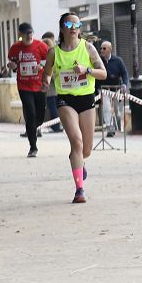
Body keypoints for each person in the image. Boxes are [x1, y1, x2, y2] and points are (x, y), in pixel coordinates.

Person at [41, 13, 107, 203]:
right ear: (62, 28)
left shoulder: (88, 48)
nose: (73, 27)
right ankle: (79, 190)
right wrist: (46, 81)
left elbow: (103, 73)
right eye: (69, 23)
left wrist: (86, 70)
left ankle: (78, 160)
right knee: (76, 142)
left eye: (77, 23)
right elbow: (47, 73)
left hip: (86, 99)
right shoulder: (54, 52)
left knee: (86, 149)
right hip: (65, 100)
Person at [6, 22, 48, 157]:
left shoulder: (40, 45)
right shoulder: (15, 48)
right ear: (20, 35)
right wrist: (12, 66)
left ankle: (34, 128)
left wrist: (41, 66)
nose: (29, 36)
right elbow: (12, 64)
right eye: (26, 34)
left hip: (39, 85)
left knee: (40, 116)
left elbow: (50, 61)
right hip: (24, 86)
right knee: (30, 114)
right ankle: (33, 146)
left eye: (31, 33)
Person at [95, 40, 129, 137]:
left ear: (110, 49)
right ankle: (110, 128)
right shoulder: (98, 61)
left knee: (117, 109)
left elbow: (124, 73)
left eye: (104, 48)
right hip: (103, 89)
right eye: (101, 48)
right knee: (106, 108)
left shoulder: (118, 61)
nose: (101, 50)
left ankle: (120, 126)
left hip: (116, 88)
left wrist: (125, 84)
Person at [40, 32, 63, 133]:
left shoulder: (52, 58)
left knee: (53, 108)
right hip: (51, 89)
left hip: (52, 89)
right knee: (52, 108)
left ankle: (56, 127)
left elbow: (53, 74)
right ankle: (54, 126)